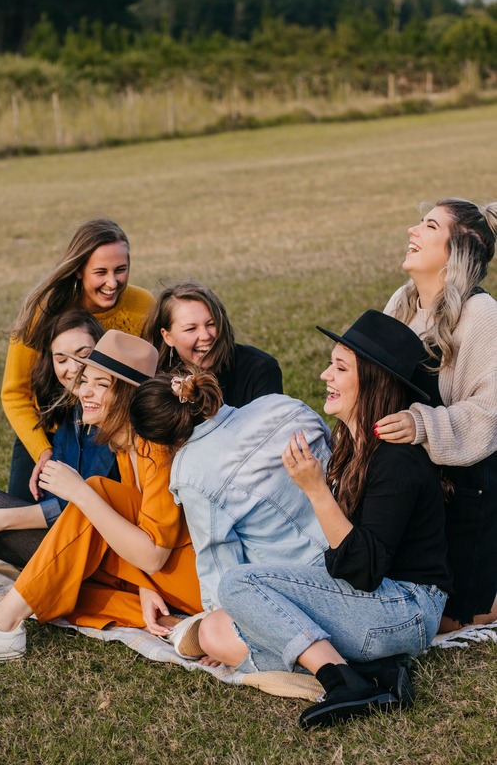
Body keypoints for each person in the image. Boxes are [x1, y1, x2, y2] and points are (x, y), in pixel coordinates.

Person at [171, 312, 452, 728]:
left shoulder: (396, 461)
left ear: (374, 381)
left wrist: (316, 490)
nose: (325, 375)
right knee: (215, 630)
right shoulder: (353, 446)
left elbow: (362, 570)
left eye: (340, 368)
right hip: (375, 605)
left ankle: (343, 682)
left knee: (238, 584)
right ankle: (376, 671)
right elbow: (340, 564)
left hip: (405, 609)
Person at [0, 331, 202, 667]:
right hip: (161, 578)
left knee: (96, 492)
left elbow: (153, 556)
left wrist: (79, 492)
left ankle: (2, 624)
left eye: (101, 385)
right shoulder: (124, 446)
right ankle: (176, 626)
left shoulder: (158, 449)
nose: (84, 391)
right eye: (85, 380)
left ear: (129, 396)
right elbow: (138, 532)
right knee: (60, 585)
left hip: (195, 578)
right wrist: (146, 588)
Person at [375, 198, 497, 631]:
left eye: (428, 225)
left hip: (465, 486)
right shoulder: (402, 302)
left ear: (460, 248)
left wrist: (420, 424)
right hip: (406, 474)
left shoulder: (482, 314)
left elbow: (488, 413)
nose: (412, 230)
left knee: (450, 619)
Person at [128, 370, 332, 621]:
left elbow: (220, 565)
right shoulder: (280, 403)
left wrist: (219, 624)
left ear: (160, 440)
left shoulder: (191, 472)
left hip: (306, 586)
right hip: (355, 540)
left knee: (201, 634)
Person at [2, 218, 154, 502]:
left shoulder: (143, 305)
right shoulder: (43, 312)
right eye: (100, 272)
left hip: (111, 433)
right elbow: (14, 394)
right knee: (19, 516)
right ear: (79, 271)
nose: (113, 282)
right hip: (48, 430)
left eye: (121, 270)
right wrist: (41, 451)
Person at [0, 308, 118, 568]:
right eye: (62, 359)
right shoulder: (72, 413)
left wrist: (1, 520)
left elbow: (81, 506)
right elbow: (54, 496)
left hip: (98, 553)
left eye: (84, 355)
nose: (74, 368)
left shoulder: (112, 419)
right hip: (66, 536)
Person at [143, 281, 283, 407]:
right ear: (168, 337)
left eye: (212, 324)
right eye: (191, 328)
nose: (205, 336)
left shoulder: (259, 369)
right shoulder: (156, 382)